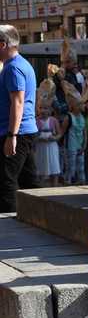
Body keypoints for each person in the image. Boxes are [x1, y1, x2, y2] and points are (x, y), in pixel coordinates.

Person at [0, 25, 39, 212]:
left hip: (16, 132)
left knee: (6, 182)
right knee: (29, 181)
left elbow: (18, 102)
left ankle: (9, 229)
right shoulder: (22, 64)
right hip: (25, 131)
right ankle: (41, 217)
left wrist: (11, 135)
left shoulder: (13, 68)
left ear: (2, 44)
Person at [35, 103, 61, 187]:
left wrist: (55, 138)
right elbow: (34, 135)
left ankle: (55, 186)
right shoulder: (36, 120)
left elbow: (59, 133)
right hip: (40, 146)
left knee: (54, 164)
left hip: (52, 145)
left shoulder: (53, 120)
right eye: (41, 108)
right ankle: (40, 186)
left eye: (45, 108)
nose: (43, 110)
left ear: (50, 110)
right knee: (40, 164)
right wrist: (39, 138)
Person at [62, 96, 86, 185]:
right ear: (73, 106)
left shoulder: (82, 117)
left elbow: (84, 132)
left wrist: (84, 145)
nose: (82, 106)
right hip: (70, 145)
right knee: (70, 166)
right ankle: (67, 182)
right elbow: (62, 131)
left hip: (80, 145)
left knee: (81, 166)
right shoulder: (68, 117)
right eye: (79, 104)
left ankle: (81, 181)